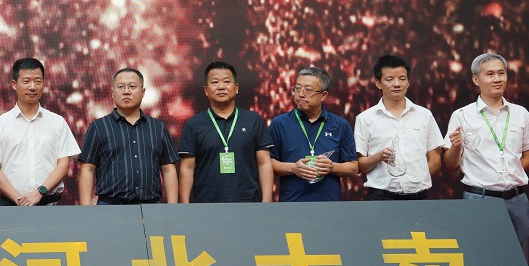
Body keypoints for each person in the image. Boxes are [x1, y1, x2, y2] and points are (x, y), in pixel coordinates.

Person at [444, 52, 529, 260]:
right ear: (476, 79)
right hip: (479, 199)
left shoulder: (520, 113)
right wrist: (455, 147)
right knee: (480, 258)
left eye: (501, 73)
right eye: (490, 74)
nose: (497, 79)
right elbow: (450, 164)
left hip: (517, 199)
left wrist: (510, 169)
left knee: (519, 259)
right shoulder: (461, 115)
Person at [0, 57, 80, 206]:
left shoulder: (58, 123)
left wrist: (40, 192)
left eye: (38, 81)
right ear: (14, 84)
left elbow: (63, 166)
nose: (32, 87)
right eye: (26, 81)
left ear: (43, 83)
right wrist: (20, 200)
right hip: (10, 205)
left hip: (48, 205)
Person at [77, 67, 179, 205]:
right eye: (120, 87)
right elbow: (87, 169)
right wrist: (85, 211)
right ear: (112, 93)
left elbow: (168, 170)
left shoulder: (158, 128)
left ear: (143, 92)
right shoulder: (98, 127)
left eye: (132, 86)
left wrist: (173, 209)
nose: (126, 91)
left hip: (151, 207)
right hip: (110, 207)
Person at [177, 60, 274, 203]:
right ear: (206, 90)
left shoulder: (253, 120)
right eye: (215, 82)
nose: (221, 87)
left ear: (236, 88)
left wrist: (267, 203)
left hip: (248, 203)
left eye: (227, 82)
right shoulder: (194, 124)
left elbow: (264, 163)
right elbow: (187, 168)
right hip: (206, 204)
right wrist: (184, 206)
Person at [353, 54, 445, 200]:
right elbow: (360, 165)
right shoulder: (365, 118)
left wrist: (416, 180)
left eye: (402, 79)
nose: (397, 84)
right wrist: (378, 157)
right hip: (381, 197)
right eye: (389, 79)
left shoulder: (424, 115)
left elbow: (435, 159)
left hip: (418, 197)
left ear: (408, 82)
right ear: (378, 83)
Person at [269, 66, 359, 202]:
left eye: (308, 90)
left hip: (329, 204)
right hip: (291, 203)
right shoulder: (280, 123)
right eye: (297, 89)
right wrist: (293, 168)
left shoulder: (340, 125)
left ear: (323, 95)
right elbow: (268, 164)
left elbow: (353, 167)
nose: (301, 94)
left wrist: (332, 167)